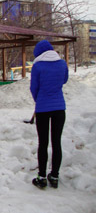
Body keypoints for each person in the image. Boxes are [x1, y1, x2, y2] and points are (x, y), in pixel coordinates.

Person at [30, 40, 68, 189]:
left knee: (43, 143)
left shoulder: (37, 66)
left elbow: (34, 88)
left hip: (43, 109)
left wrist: (38, 100)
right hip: (60, 108)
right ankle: (55, 176)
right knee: (56, 142)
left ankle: (42, 176)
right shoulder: (62, 64)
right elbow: (64, 80)